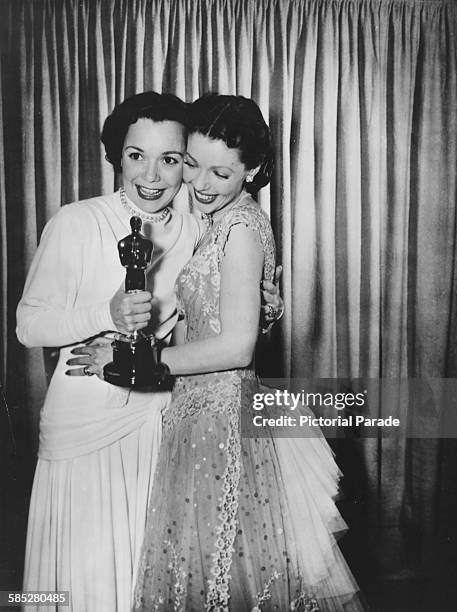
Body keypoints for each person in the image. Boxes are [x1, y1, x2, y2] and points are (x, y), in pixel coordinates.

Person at [16, 92, 282, 611]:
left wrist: (263, 306)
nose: (153, 176)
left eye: (170, 159)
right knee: (78, 580)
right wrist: (104, 317)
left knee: (149, 580)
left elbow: (213, 325)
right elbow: (29, 325)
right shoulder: (77, 221)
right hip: (84, 423)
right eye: (137, 156)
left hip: (161, 420)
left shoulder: (197, 223)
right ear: (117, 155)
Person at [133, 94, 363, 611]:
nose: (201, 184)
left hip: (222, 422)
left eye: (221, 172)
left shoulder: (239, 226)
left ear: (253, 169)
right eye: (192, 165)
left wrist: (146, 363)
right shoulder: (221, 221)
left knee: (224, 578)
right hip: (199, 415)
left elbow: (237, 347)